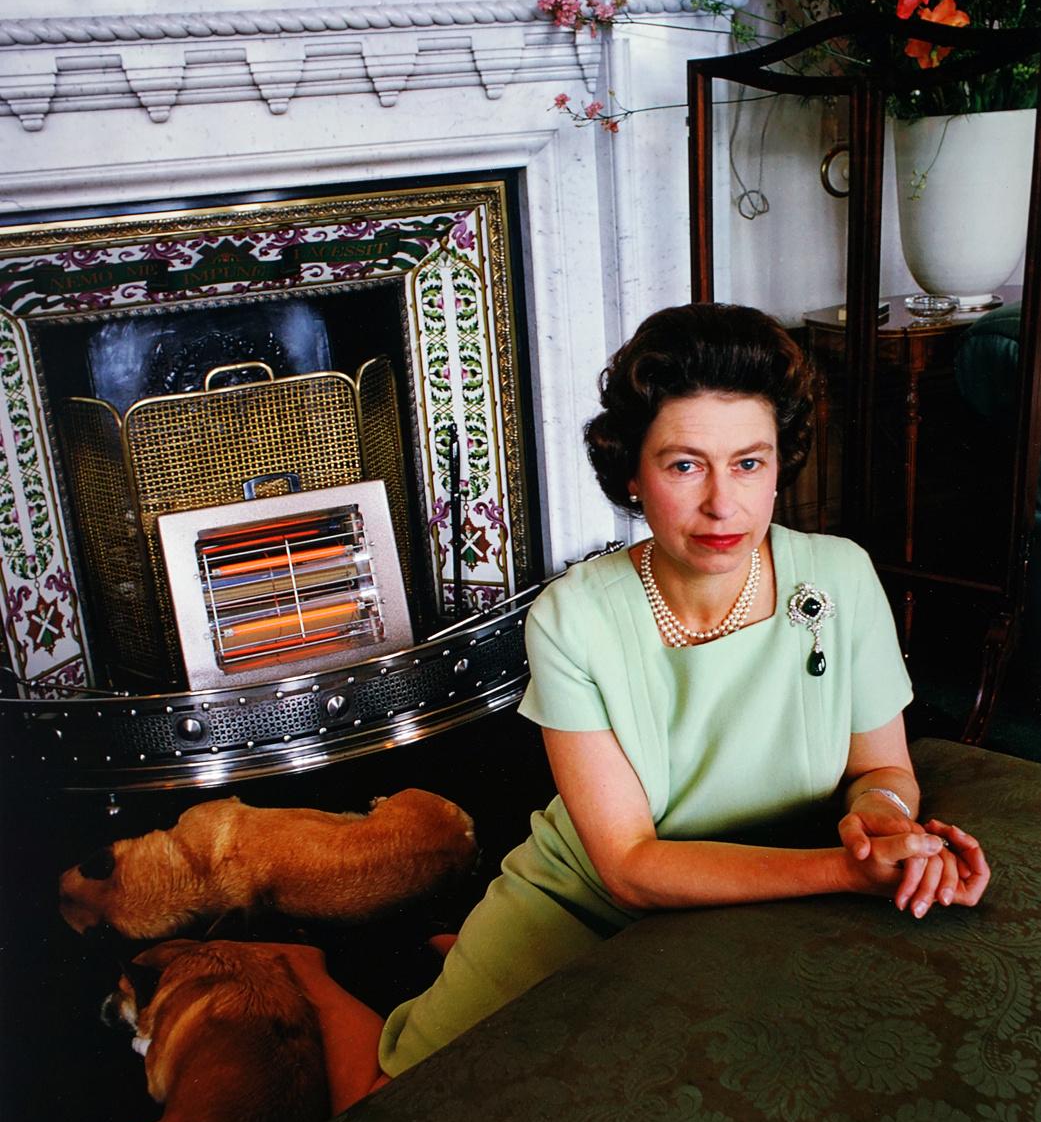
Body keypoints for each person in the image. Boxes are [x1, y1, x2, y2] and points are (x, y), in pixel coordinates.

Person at [375, 303, 990, 1081]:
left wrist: (885, 826)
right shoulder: (571, 617)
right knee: (396, 1091)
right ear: (632, 475)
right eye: (684, 465)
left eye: (748, 463)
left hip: (765, 898)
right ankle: (308, 967)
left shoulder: (840, 575)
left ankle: (448, 952)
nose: (722, 503)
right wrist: (842, 871)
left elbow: (881, 768)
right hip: (583, 902)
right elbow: (628, 865)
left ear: (780, 464)